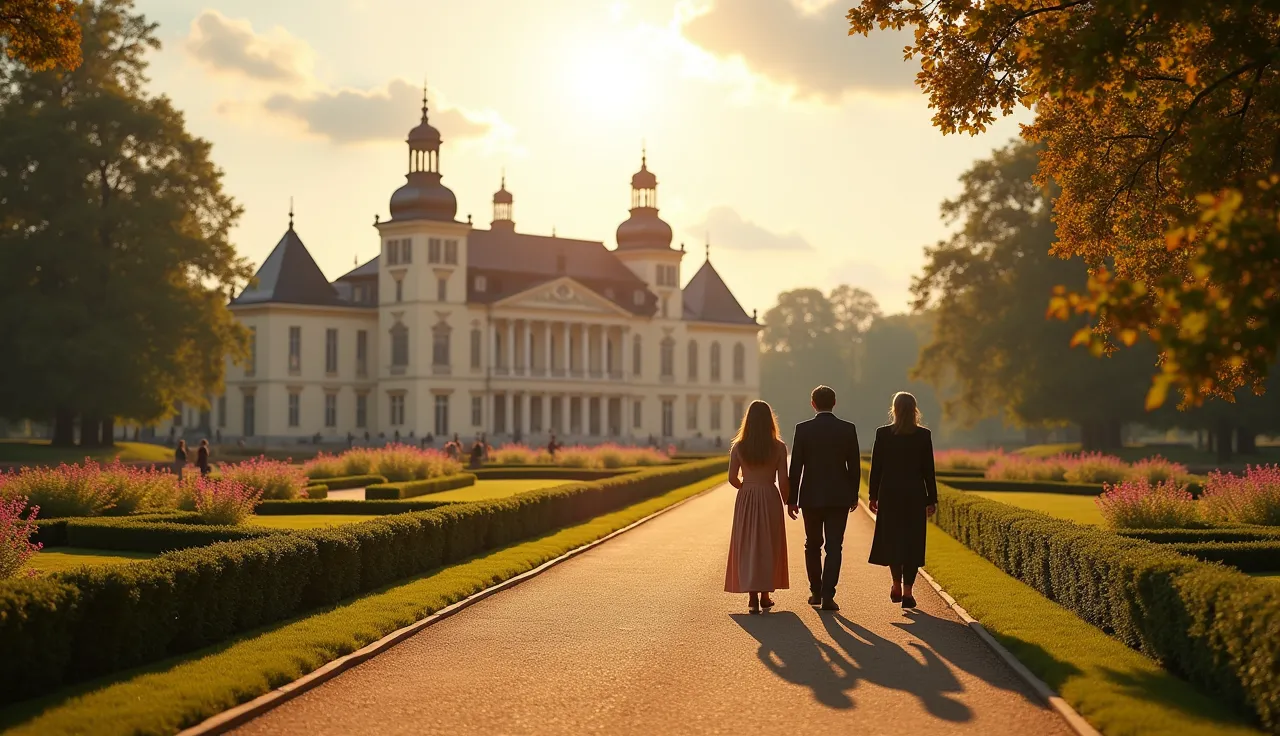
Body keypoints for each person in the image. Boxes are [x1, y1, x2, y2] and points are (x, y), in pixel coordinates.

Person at [786, 385, 861, 612]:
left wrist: (792, 499)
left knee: (812, 544)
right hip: (839, 496)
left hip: (810, 496)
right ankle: (829, 594)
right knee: (834, 547)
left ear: (813, 404)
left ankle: (815, 591)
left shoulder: (803, 429)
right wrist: (853, 494)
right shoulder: (847, 429)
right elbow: (854, 466)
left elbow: (796, 466)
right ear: (834, 403)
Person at [867, 392, 939, 610]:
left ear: (895, 409)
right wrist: (931, 498)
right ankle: (908, 590)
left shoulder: (883, 434)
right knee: (912, 543)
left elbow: (876, 468)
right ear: (914, 410)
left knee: (893, 540)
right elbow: (929, 471)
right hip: (914, 495)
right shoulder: (923, 435)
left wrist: (873, 495)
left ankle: (896, 583)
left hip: (890, 494)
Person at [724, 400, 790, 613]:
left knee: (748, 543)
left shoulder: (739, 446)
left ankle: (751, 596)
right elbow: (783, 480)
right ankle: (765, 595)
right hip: (769, 495)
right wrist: (788, 501)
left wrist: (746, 486)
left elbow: (732, 478)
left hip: (747, 496)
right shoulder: (778, 447)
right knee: (768, 544)